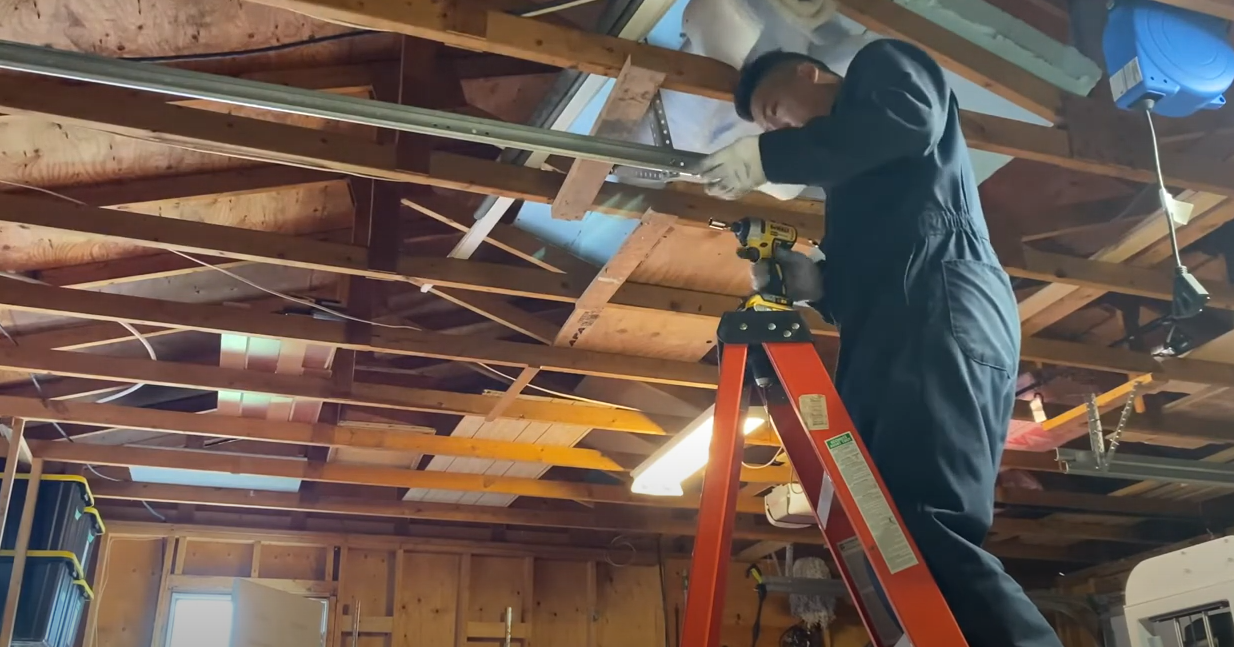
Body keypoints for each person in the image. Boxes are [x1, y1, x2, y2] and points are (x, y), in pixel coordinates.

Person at [693, 40, 1062, 647]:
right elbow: (878, 269)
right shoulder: (855, 184)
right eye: (768, 124)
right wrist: (817, 284)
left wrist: (766, 156)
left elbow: (905, 125)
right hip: (901, 328)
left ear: (811, 74)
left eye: (776, 109)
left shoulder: (882, 67)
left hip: (941, 313)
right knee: (892, 522)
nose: (778, 126)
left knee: (924, 518)